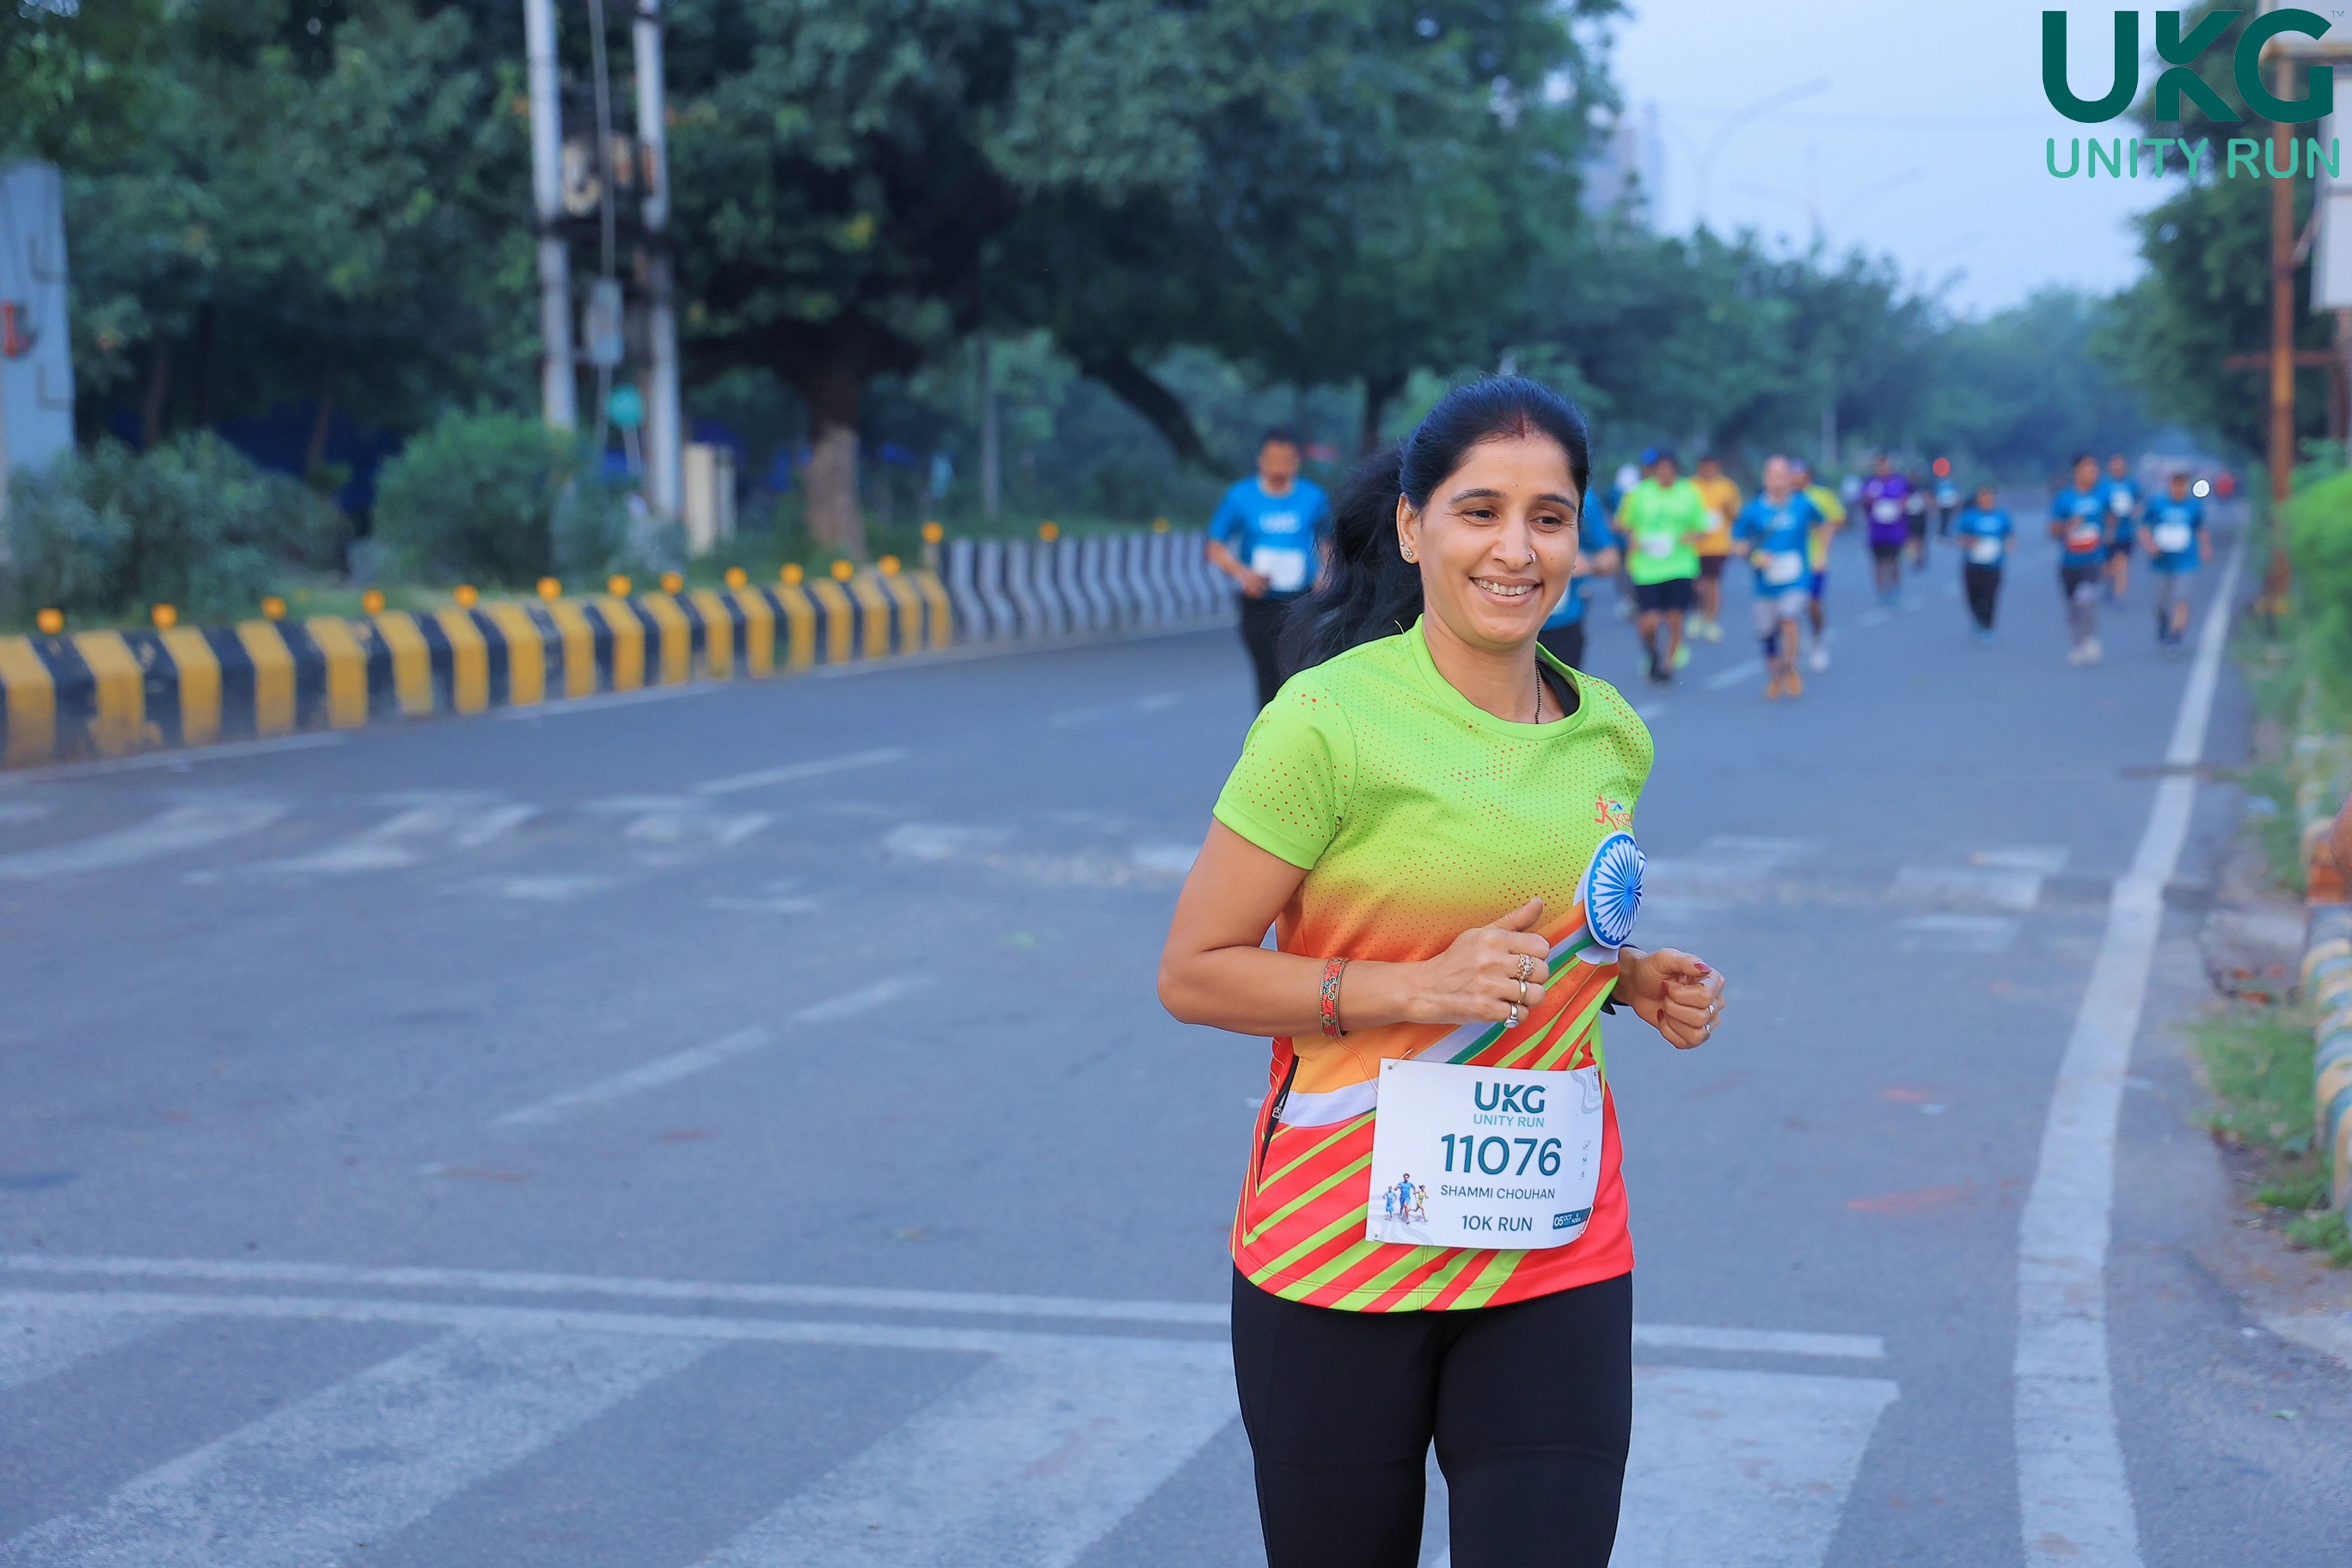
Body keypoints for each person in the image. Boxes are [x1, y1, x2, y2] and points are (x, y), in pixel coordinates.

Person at [1160, 375, 1724, 1568]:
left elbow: (1549, 932)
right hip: (1336, 1249)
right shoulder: (1326, 722)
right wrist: (1411, 989)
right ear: (1414, 529)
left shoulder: (1610, 732)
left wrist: (1626, 976)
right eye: (1480, 512)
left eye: (1549, 517)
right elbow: (1196, 973)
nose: (1517, 549)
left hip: (1553, 1245)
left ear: (1580, 537)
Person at [1208, 428, 1334, 708]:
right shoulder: (1240, 497)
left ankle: (1300, 727)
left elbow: (1327, 540)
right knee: (1268, 676)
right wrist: (1243, 574)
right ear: (1261, 460)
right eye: (1273, 459)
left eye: (1286, 460)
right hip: (1259, 601)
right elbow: (1215, 546)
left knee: (1297, 672)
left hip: (1300, 601)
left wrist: (1325, 574)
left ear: (1296, 462)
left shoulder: (1313, 497)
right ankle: (1269, 729)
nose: (1279, 467)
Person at [1731, 456, 1822, 699]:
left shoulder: (1803, 505)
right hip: (1765, 584)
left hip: (1796, 578)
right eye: (1773, 476)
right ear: (1765, 479)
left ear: (1790, 479)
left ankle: (1790, 667)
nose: (1778, 482)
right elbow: (1737, 544)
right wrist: (1754, 555)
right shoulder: (1753, 510)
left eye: (1783, 476)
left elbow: (1824, 524)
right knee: (1767, 633)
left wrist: (1821, 553)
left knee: (1789, 619)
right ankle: (1776, 676)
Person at [1616, 448, 1708, 684]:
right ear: (1654, 471)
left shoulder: (1688, 492)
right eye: (1660, 469)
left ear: (1676, 469)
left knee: (1676, 617)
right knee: (1650, 621)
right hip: (1647, 568)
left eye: (1669, 469)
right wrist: (1633, 538)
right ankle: (1652, 654)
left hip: (1680, 565)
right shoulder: (1640, 494)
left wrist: (1690, 536)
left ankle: (1667, 665)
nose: (1665, 473)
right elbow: (1621, 523)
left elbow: (1701, 526)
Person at [1537, 495, 1620, 672]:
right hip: (1499, 626)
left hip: (1561, 625)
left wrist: (1586, 565)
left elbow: (1610, 558)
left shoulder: (1582, 498)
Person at [2137, 469, 2205, 654]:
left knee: (2181, 598)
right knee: (2161, 602)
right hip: (2162, 561)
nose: (2179, 489)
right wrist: (2150, 546)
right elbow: (2144, 528)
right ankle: (2163, 622)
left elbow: (2200, 529)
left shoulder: (2193, 506)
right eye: (2176, 485)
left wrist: (2205, 548)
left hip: (2186, 561)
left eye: (2182, 485)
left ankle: (2176, 635)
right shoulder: (2157, 504)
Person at [2050, 453, 2108, 665]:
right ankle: (2078, 644)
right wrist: (2069, 525)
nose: (2093, 472)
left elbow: (2112, 520)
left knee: (2086, 598)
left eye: (2095, 468)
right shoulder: (2064, 498)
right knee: (2073, 606)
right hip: (2069, 561)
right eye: (2088, 468)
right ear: (2077, 471)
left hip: (2094, 559)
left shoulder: (2102, 495)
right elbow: (2053, 529)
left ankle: (2090, 637)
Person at [1792, 457, 1845, 672]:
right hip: (1787, 563)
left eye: (1799, 474)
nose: (1795, 478)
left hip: (1815, 560)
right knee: (1789, 609)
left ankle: (1817, 641)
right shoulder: (1782, 498)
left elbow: (1839, 519)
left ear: (1808, 476)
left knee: (1813, 604)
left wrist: (1826, 530)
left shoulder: (1822, 497)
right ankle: (1791, 649)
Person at [1689, 455, 1743, 643]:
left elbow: (1736, 515)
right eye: (1706, 466)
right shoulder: (1690, 486)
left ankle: (1711, 620)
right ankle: (1697, 613)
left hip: (1718, 546)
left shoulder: (1727, 487)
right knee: (1697, 584)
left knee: (1713, 584)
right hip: (1693, 545)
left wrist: (1729, 508)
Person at [1952, 482, 2012, 640]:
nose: (1987, 500)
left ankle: (1988, 626)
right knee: (1973, 594)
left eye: (1989, 496)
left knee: (1991, 595)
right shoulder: (1969, 516)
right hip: (1973, 563)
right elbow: (1959, 538)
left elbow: (2009, 535)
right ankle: (1977, 619)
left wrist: (2009, 544)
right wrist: (1970, 541)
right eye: (1983, 496)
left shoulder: (2001, 516)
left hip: (1994, 564)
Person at [1858, 455, 1913, 607]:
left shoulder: (1899, 482)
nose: (1882, 469)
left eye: (1885, 466)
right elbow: (1863, 501)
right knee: (1879, 563)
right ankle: (1882, 591)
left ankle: (1895, 590)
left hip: (1895, 531)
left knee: (1894, 561)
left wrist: (1899, 505)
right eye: (1879, 466)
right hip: (1877, 532)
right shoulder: (1870, 483)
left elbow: (1906, 501)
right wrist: (1870, 501)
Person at [2099, 451, 2141, 607]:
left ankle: (2120, 595)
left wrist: (2134, 511)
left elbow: (2139, 504)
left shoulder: (2132, 485)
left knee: (2122, 564)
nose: (2118, 469)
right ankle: (2109, 585)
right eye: (2115, 467)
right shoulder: (2103, 486)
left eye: (2120, 467)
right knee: (2107, 567)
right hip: (2106, 534)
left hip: (2125, 533)